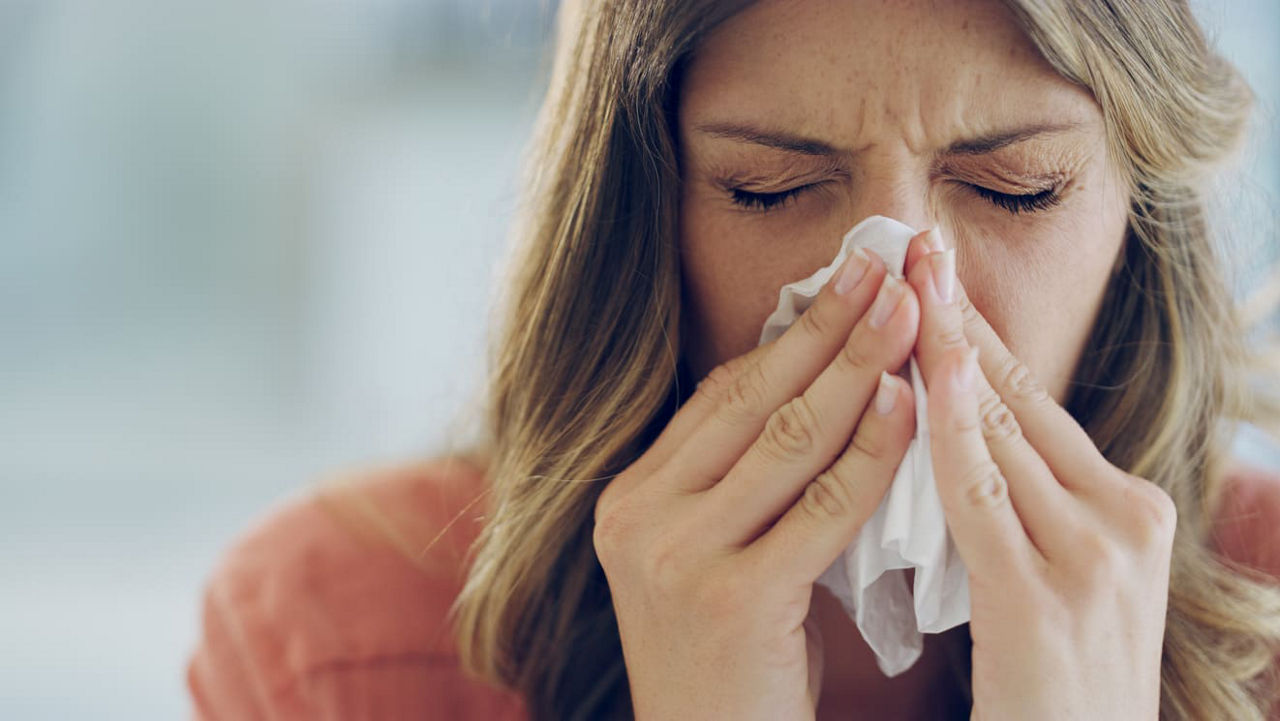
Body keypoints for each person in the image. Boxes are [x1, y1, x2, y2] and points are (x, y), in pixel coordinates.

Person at [186, 0, 1280, 718]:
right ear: (640, 218)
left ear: (1138, 214)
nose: (902, 303)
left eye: (1018, 189)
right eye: (768, 190)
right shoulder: (340, 636)